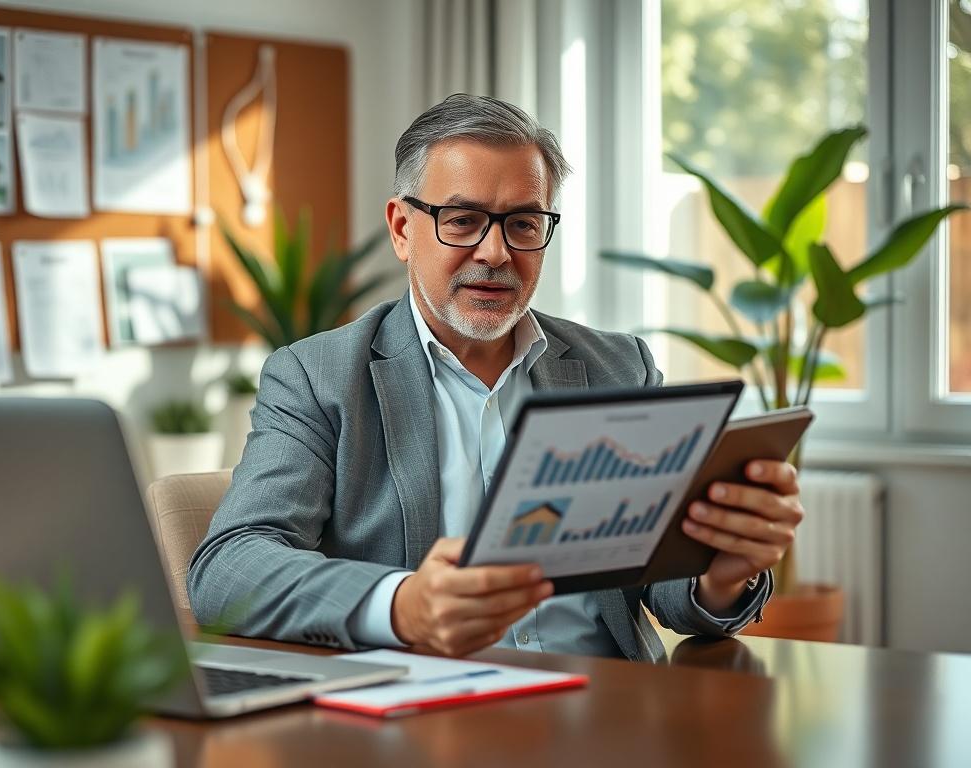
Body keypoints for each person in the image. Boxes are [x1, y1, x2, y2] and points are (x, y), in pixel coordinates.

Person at [188, 94, 803, 660]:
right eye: (461, 221)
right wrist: (404, 606)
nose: (495, 253)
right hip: (424, 715)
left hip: (607, 707)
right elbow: (228, 568)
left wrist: (719, 574)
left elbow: (661, 583)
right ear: (404, 229)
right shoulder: (317, 377)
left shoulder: (619, 366)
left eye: (523, 224)